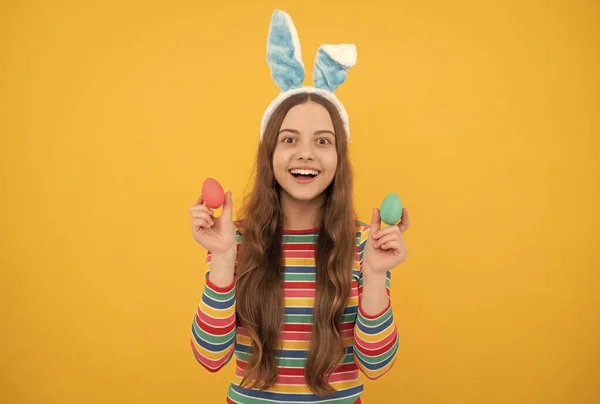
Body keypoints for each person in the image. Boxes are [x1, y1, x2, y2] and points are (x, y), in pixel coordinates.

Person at [189, 10, 411, 403]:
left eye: (323, 141)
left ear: (340, 157)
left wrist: (374, 274)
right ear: (269, 154)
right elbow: (209, 358)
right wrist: (223, 258)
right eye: (289, 139)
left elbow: (376, 366)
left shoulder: (365, 244)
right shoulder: (234, 239)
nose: (305, 154)